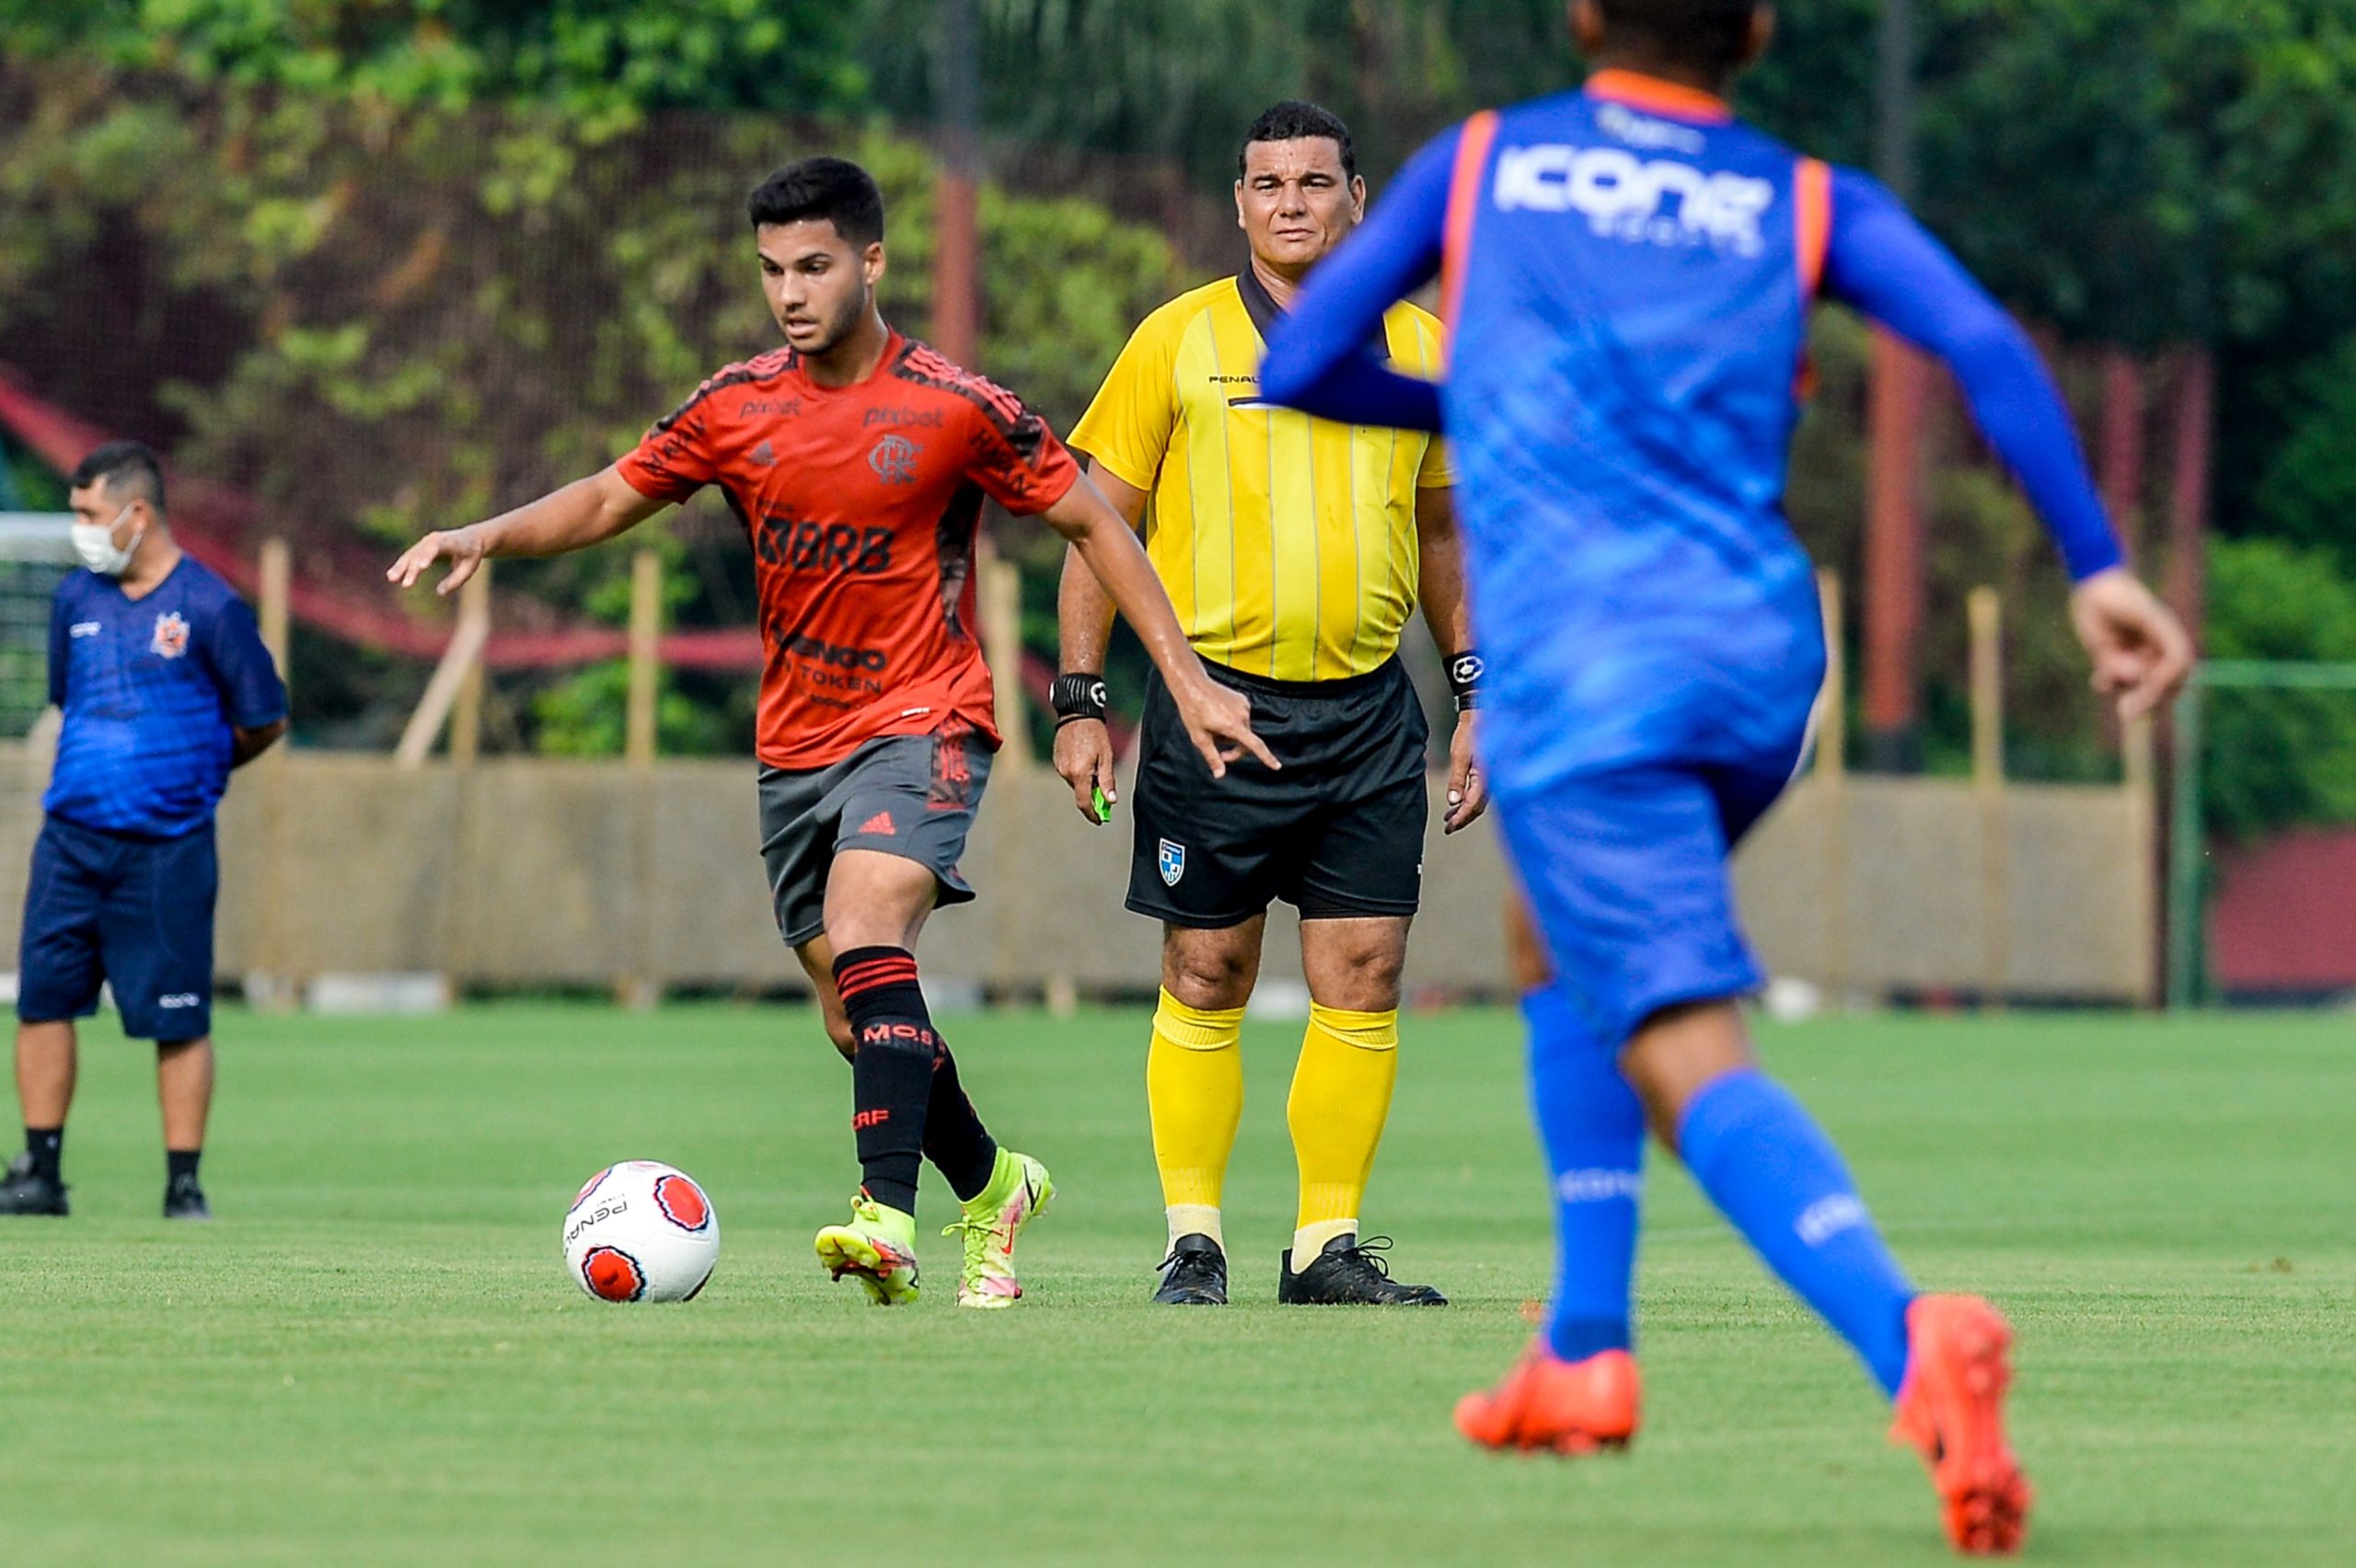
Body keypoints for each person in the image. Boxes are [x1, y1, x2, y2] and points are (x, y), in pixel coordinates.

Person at [1259, 0, 2193, 1552]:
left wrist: (1481, 409)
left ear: (1579, 13)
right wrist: (2094, 562)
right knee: (1560, 945)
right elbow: (1978, 341)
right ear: (1755, 29)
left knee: (1681, 1032)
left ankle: (1914, 1343)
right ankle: (1582, 1346)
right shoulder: (1807, 193)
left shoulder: (1488, 161)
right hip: (1759, 657)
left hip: (1595, 675)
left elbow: (1302, 356)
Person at [389, 157, 1271, 1310]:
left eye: (812, 265)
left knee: (866, 927)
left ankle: (883, 1220)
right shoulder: (736, 406)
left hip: (929, 717)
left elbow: (1095, 524)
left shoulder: (955, 405)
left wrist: (1177, 682)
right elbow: (610, 496)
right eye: (770, 270)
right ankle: (995, 1184)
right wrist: (486, 535)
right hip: (795, 744)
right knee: (859, 1016)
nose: (790, 292)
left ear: (871, 261)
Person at [1054, 102, 1484, 1309]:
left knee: (1365, 965)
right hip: (1212, 712)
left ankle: (1324, 1248)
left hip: (1368, 714)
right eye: (1266, 184)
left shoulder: (1425, 349)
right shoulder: (1176, 341)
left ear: (1358, 198)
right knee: (1206, 969)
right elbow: (1096, 528)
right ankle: (1195, 1242)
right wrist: (1081, 699)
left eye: (1313, 181)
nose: (1290, 202)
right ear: (1238, 204)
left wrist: (1474, 692)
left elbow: (1451, 537)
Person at [0, 441, 288, 1220]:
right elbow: (71, 699)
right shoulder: (74, 601)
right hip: (70, 839)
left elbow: (264, 718)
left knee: (178, 1018)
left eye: (89, 515)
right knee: (44, 1003)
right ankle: (39, 1172)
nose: (80, 531)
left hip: (168, 846)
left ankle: (183, 1184)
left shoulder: (209, 606)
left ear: (137, 514)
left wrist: (199, 767)